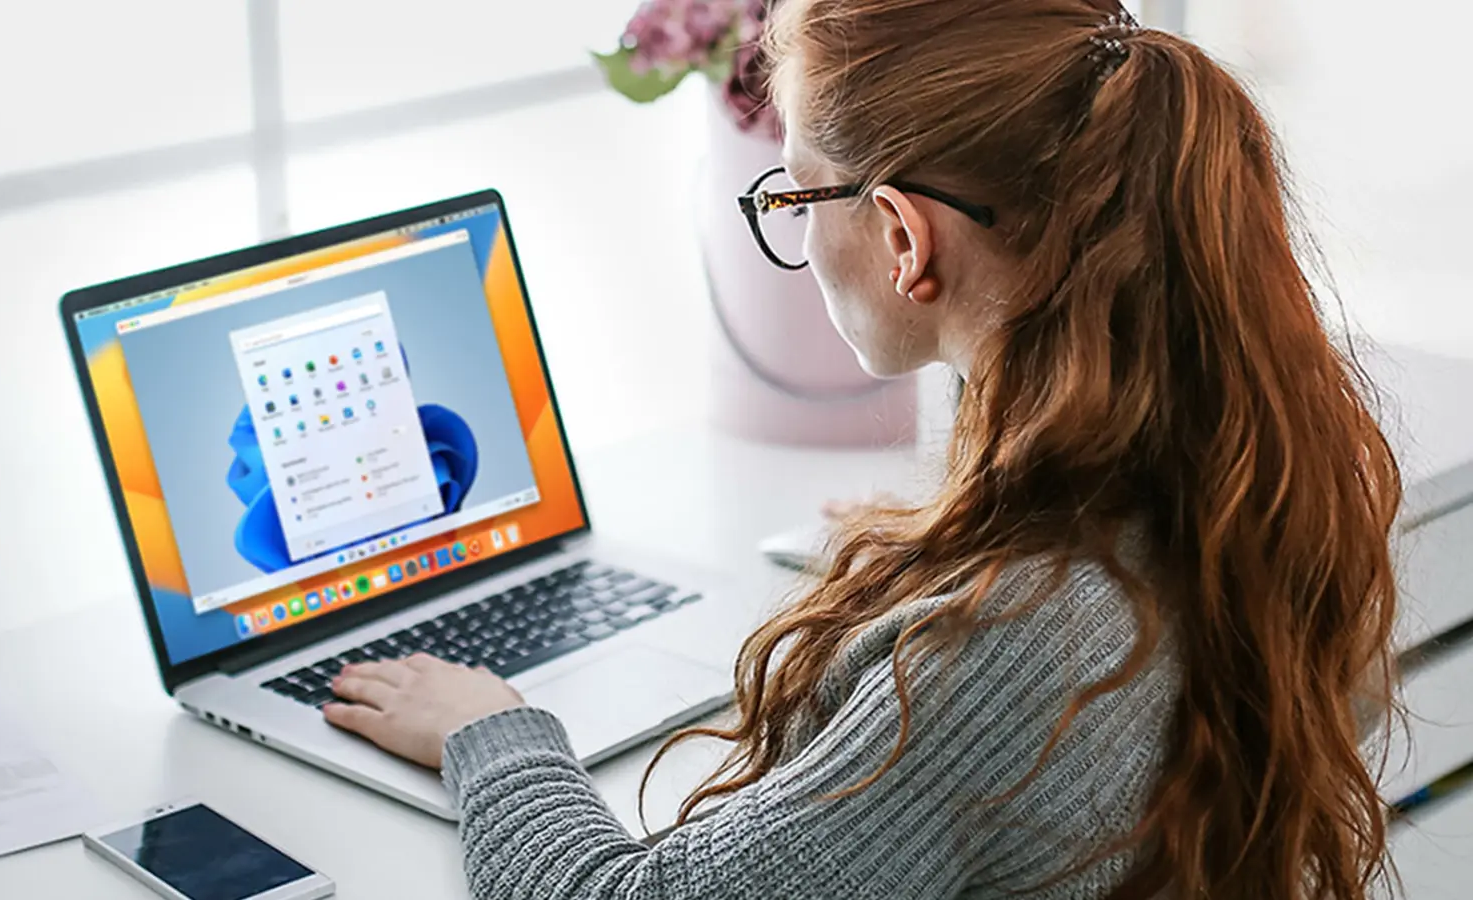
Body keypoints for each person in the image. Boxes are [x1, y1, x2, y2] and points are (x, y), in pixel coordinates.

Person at [321, 1, 1403, 897]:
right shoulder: (1232, 470)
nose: (789, 225)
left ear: (901, 236)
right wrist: (949, 549)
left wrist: (494, 732)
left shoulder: (1008, 651)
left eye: (792, 195)